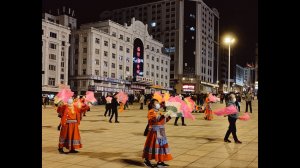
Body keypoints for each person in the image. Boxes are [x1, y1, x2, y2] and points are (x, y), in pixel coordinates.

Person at [142, 99, 172, 168]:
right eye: (156, 103)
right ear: (152, 104)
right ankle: (147, 160)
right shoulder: (151, 112)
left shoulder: (158, 111)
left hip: (161, 131)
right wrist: (164, 115)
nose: (158, 104)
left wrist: (169, 116)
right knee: (152, 146)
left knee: (161, 147)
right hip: (154, 132)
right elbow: (155, 119)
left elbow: (163, 121)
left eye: (158, 103)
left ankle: (160, 161)